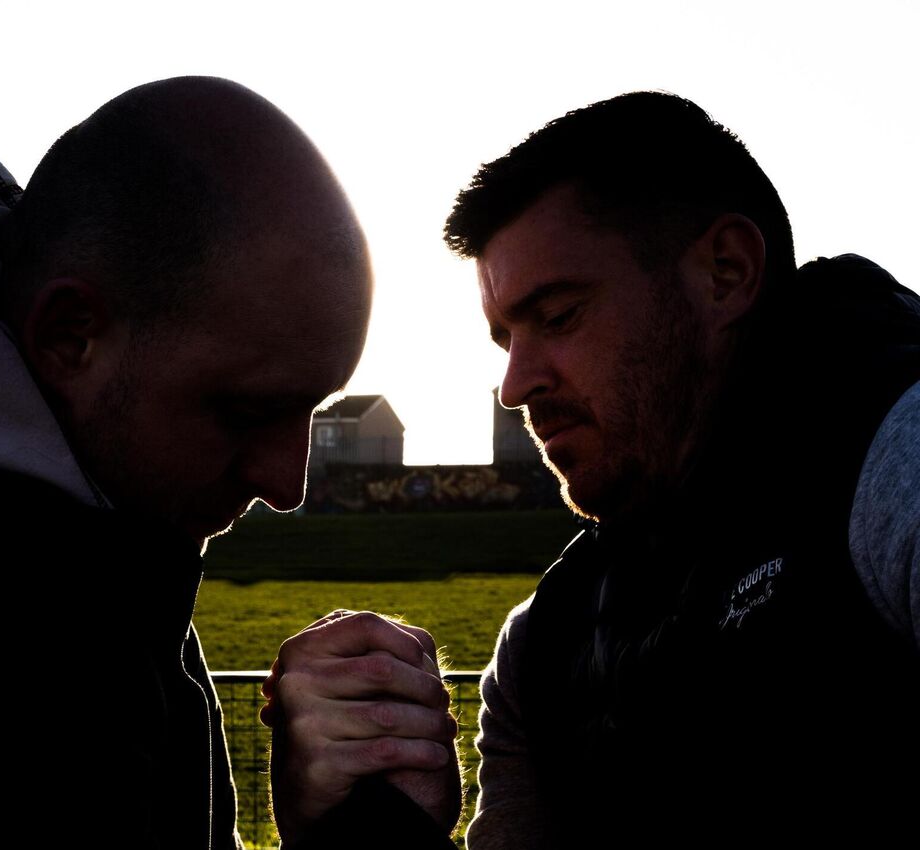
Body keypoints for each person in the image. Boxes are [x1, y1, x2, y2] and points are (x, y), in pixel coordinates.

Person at [0, 76, 455, 847]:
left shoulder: (51, 512)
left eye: (312, 409)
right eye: (244, 412)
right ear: (71, 335)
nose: (286, 482)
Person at [267, 91, 919, 848]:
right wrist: (366, 827)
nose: (516, 385)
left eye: (559, 316)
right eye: (505, 338)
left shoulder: (889, 458)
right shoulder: (549, 640)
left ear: (727, 271)